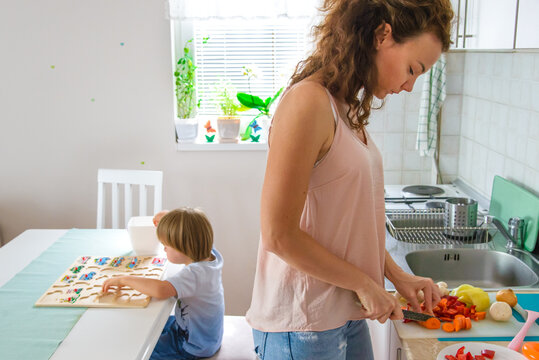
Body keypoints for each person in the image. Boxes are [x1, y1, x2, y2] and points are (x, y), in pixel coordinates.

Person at [245, 0, 454, 359]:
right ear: (382, 35)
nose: (409, 86)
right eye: (412, 68)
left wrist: (394, 275)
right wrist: (364, 283)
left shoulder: (343, 107)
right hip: (304, 323)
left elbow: (347, 224)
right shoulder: (308, 103)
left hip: (345, 311)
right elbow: (279, 235)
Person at [102, 207, 224, 360]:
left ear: (184, 246)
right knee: (147, 327)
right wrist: (167, 219)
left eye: (166, 245)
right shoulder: (210, 255)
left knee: (140, 353)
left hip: (193, 345)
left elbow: (160, 290)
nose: (164, 249)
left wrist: (124, 279)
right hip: (202, 333)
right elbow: (191, 228)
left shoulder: (195, 275)